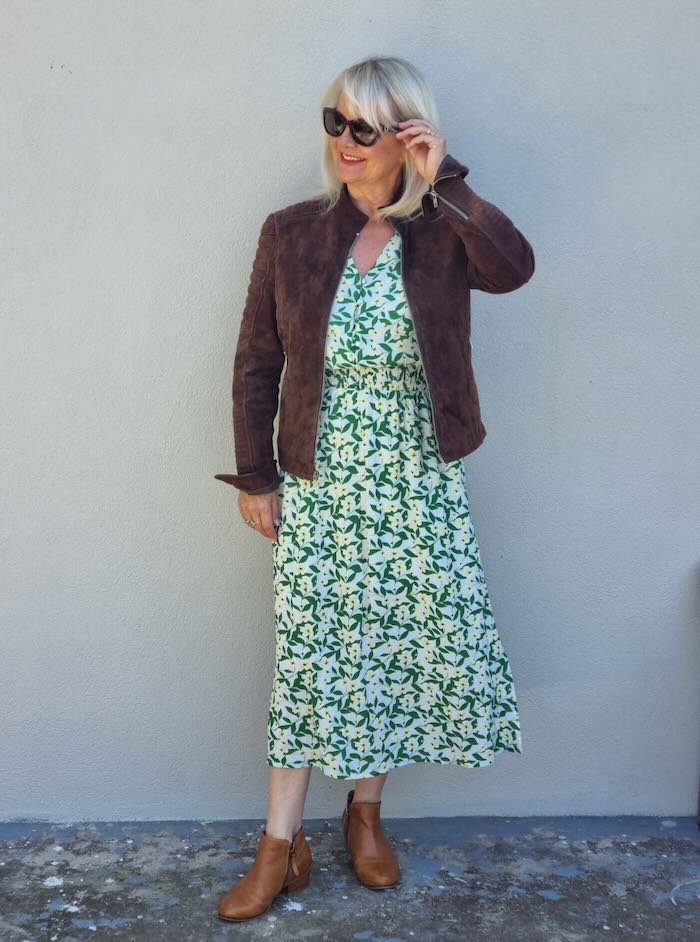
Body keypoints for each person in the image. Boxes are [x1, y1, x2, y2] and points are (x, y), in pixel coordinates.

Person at [214, 55, 535, 922]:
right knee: (312, 654)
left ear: (406, 135)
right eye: (335, 121)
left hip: (415, 475)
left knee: (389, 644)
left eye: (365, 127)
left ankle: (365, 814)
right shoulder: (290, 231)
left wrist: (451, 180)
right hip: (321, 475)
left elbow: (513, 268)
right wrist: (254, 473)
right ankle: (280, 845)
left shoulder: (442, 230)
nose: (345, 143)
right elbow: (256, 362)